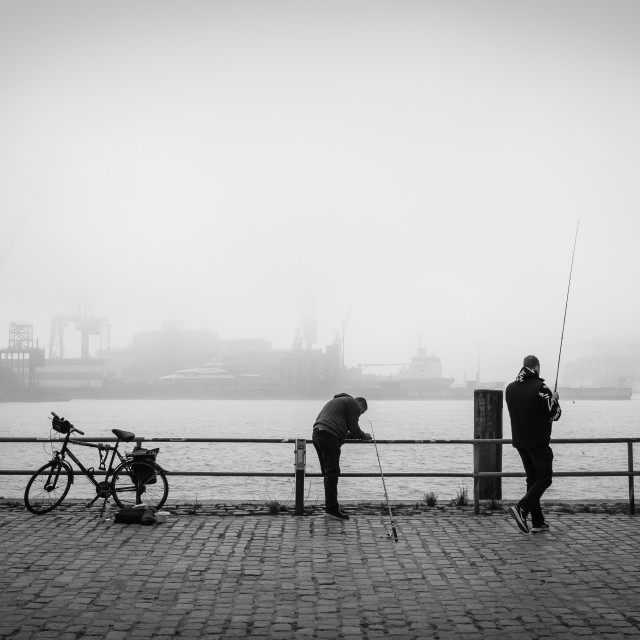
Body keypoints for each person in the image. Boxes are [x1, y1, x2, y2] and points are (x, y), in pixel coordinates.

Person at [505, 355, 562, 534]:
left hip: (520, 442)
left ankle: (538, 522)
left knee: (533, 479)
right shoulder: (541, 388)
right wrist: (554, 399)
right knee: (545, 478)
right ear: (537, 367)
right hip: (538, 441)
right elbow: (555, 414)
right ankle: (522, 508)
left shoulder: (510, 388)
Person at [312, 393, 372, 519]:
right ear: (360, 404)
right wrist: (363, 436)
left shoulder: (339, 403)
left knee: (328, 473)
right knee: (332, 473)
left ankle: (331, 507)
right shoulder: (353, 403)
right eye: (361, 412)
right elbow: (354, 427)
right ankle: (332, 510)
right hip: (329, 436)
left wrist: (356, 435)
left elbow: (343, 431)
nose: (359, 415)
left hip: (318, 433)